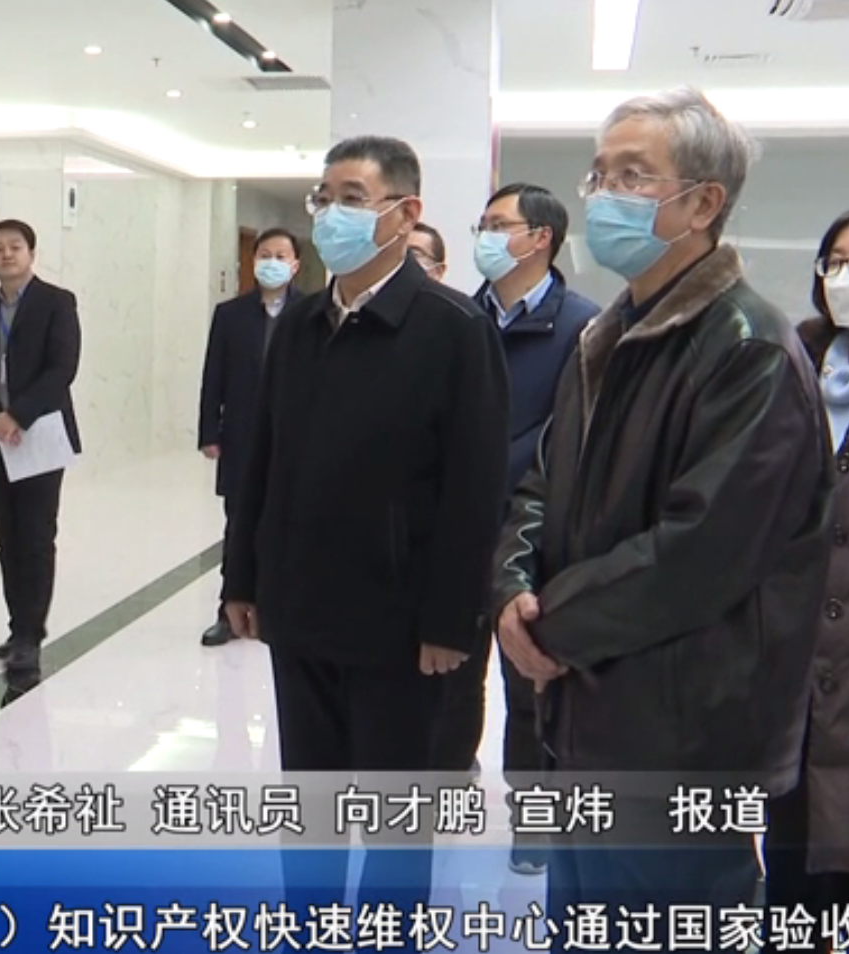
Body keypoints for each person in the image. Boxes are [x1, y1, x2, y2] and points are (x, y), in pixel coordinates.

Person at [490, 88, 830, 941]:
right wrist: (509, 588)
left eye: (632, 176)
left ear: (702, 203)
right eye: (599, 174)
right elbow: (541, 484)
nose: (604, 194)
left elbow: (696, 552)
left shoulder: (748, 349)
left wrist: (545, 628)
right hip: (584, 713)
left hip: (683, 738)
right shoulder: (605, 338)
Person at [220, 136, 509, 912]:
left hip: (399, 625)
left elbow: (473, 488)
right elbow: (261, 462)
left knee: (393, 824)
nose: (329, 214)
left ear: (404, 213)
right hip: (299, 608)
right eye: (323, 198)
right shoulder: (300, 324)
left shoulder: (453, 329)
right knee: (309, 810)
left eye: (350, 198)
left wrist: (450, 620)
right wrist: (242, 578)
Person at [432, 182, 599, 875]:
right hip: (454, 534)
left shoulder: (586, 328)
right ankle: (443, 796)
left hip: (535, 538)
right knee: (447, 675)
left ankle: (533, 824)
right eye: (483, 224)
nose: (485, 236)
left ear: (540, 239)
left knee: (530, 685)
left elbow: (579, 439)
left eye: (499, 225)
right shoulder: (456, 319)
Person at [765, 202, 849, 953]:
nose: (847, 275)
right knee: (789, 886)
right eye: (834, 261)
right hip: (790, 677)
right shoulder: (793, 370)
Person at [0, 219, 82, 677]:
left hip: (40, 435)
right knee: (6, 538)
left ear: (31, 253)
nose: (6, 254)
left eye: (15, 247)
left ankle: (32, 634)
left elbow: (62, 369)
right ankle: (17, 628)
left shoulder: (57, 303)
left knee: (35, 536)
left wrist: (19, 415)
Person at [198, 227, 302, 647]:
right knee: (239, 525)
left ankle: (282, 610)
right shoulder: (230, 314)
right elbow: (213, 375)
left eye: (281, 255)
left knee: (291, 525)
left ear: (295, 265)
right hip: (242, 435)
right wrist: (209, 430)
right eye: (264, 255)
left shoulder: (312, 312)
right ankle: (229, 609)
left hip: (295, 438)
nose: (272, 262)